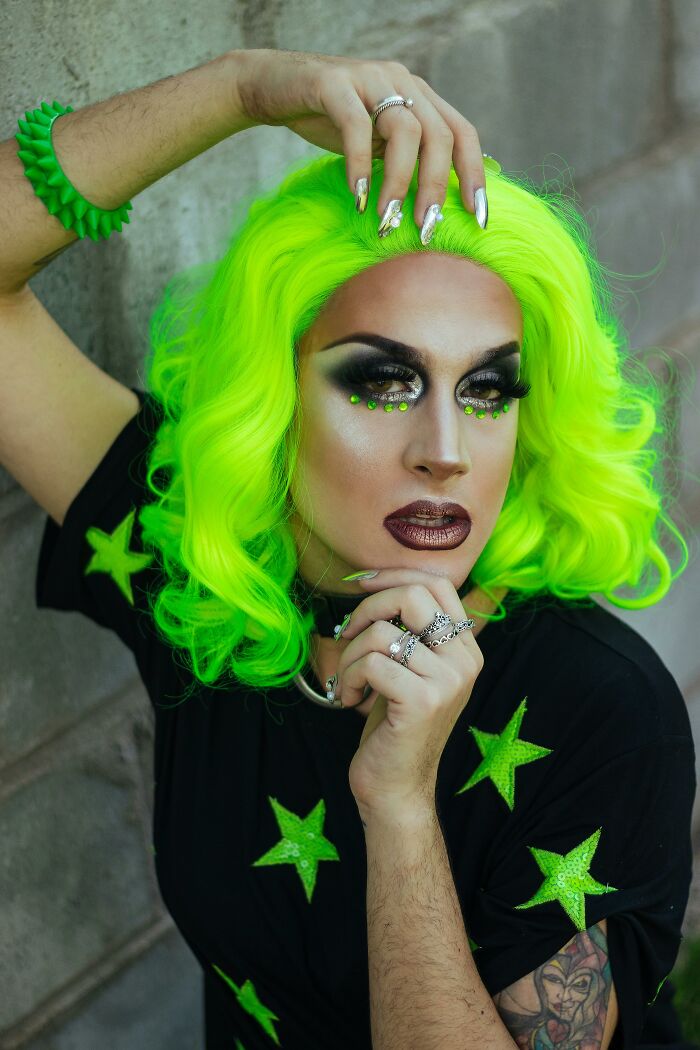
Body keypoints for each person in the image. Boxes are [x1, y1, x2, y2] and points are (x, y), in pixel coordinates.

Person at [1, 48, 696, 1050]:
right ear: (272, 400)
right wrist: (240, 91)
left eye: (489, 389)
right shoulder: (197, 568)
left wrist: (401, 808)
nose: (446, 453)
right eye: (382, 382)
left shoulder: (602, 710)